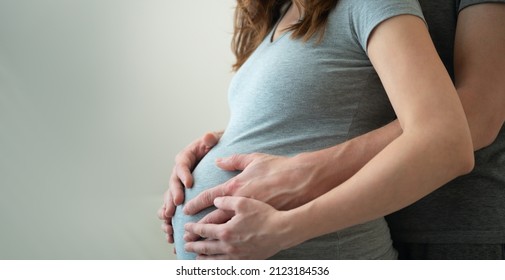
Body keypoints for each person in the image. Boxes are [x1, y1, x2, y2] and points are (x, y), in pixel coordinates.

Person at [159, 0, 479, 259]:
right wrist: (212, 149)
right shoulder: (281, 13)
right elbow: (305, 123)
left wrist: (285, 229)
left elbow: (445, 140)